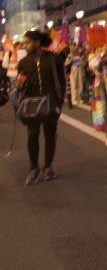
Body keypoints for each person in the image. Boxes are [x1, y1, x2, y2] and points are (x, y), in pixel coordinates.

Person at [16, 30, 65, 186]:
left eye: (27, 42)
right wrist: (20, 85)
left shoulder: (53, 59)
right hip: (31, 105)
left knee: (50, 135)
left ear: (37, 43)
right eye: (23, 43)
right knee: (32, 136)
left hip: (50, 104)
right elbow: (20, 85)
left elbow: (62, 82)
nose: (24, 45)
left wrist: (59, 102)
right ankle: (33, 168)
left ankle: (48, 167)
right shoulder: (23, 63)